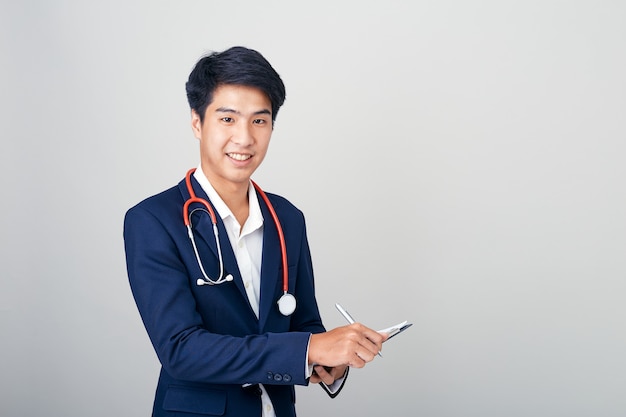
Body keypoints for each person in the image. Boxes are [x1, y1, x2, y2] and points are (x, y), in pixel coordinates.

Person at [124, 46, 386, 417]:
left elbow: (304, 324)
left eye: (259, 121)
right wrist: (309, 350)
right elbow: (181, 350)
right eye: (228, 119)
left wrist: (335, 358)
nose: (245, 138)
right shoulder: (153, 220)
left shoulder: (288, 219)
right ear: (197, 123)